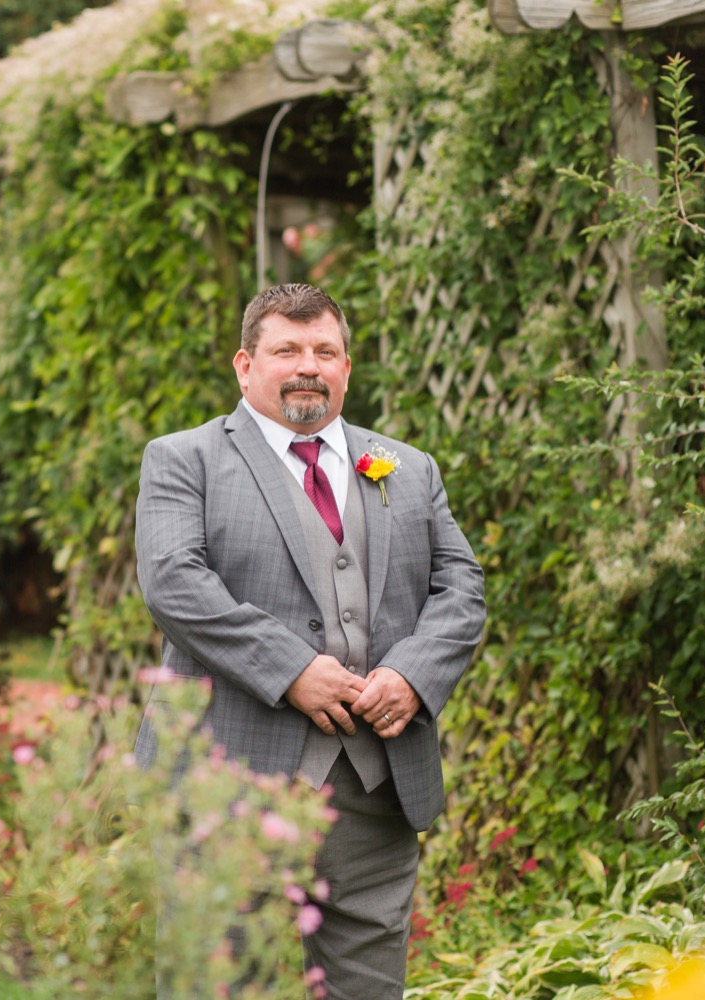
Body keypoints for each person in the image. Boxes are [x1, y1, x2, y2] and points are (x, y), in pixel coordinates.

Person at [134, 283, 486, 998]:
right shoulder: (184, 460)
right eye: (287, 350)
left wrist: (412, 676)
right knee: (222, 985)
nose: (308, 366)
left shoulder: (408, 467)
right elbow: (174, 582)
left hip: (373, 787)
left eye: (325, 351)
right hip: (227, 781)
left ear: (347, 368)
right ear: (245, 366)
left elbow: (461, 587)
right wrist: (292, 669)